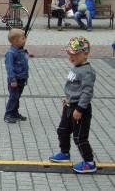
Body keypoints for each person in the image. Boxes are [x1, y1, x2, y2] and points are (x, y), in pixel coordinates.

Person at [49, 36, 97, 174]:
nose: (71, 57)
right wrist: (68, 98)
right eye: (69, 54)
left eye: (75, 54)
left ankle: (89, 162)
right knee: (62, 130)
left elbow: (87, 92)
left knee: (79, 137)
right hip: (70, 106)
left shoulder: (87, 71)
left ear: (85, 54)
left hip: (79, 110)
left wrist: (80, 108)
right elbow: (75, 88)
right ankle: (65, 152)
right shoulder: (76, 67)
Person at [4, 29, 29, 123]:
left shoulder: (22, 51)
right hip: (15, 80)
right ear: (15, 41)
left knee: (17, 96)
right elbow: (9, 68)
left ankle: (15, 112)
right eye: (23, 38)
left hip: (22, 78)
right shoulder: (11, 53)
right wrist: (12, 80)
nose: (25, 40)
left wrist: (26, 77)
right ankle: (8, 114)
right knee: (13, 97)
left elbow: (25, 65)